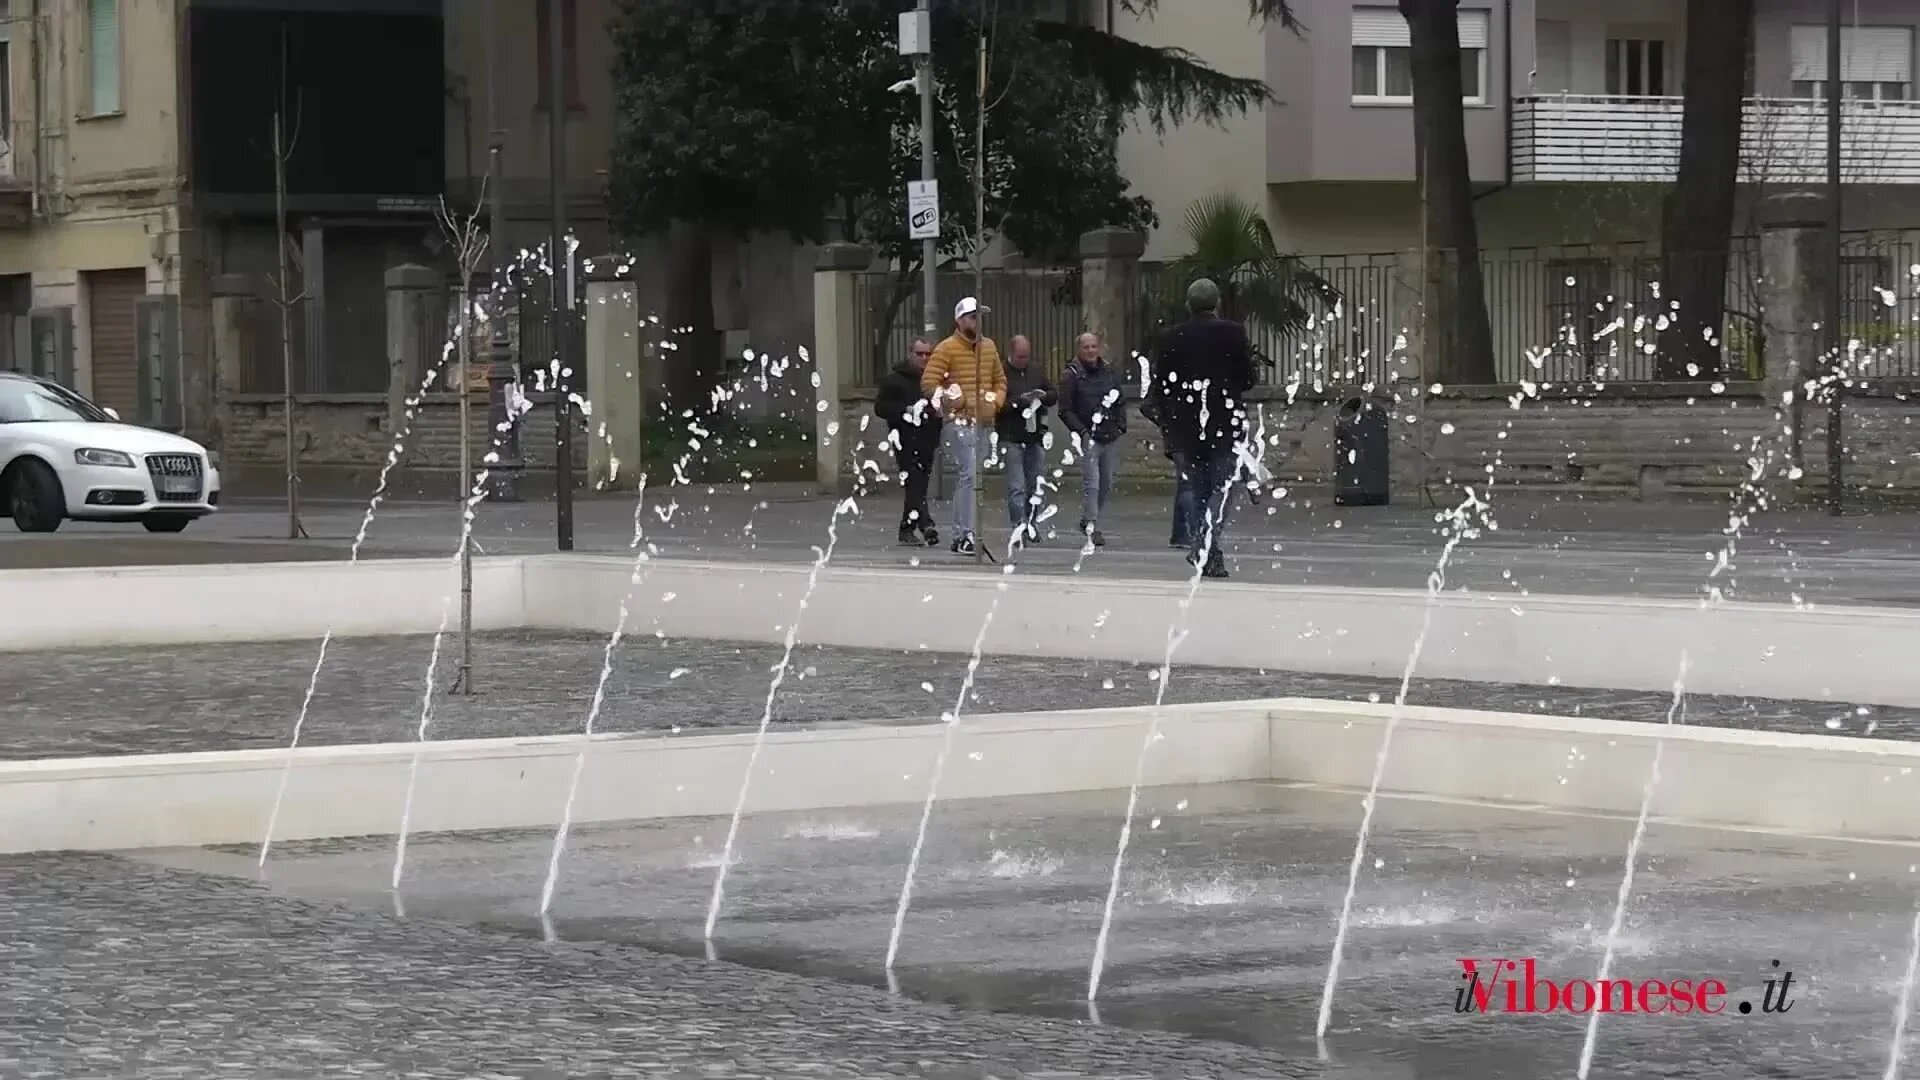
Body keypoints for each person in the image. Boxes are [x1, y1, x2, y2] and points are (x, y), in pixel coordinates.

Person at [1145, 278, 1255, 579]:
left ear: (1188, 304)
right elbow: (1247, 378)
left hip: (1187, 429)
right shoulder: (1233, 333)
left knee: (1198, 490)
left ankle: (1206, 550)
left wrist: (1171, 427)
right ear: (1216, 303)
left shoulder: (1170, 337)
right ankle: (1203, 545)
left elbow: (1163, 386)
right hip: (1224, 424)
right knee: (1225, 487)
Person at [921, 296, 1006, 556]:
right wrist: (951, 399)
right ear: (959, 320)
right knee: (969, 474)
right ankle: (967, 533)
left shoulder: (989, 346)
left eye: (979, 316)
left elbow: (999, 380)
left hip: (983, 422)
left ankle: (960, 535)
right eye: (971, 316)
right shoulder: (946, 348)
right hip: (957, 422)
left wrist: (995, 403)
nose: (976, 321)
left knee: (970, 477)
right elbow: (928, 384)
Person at [1057, 331, 1127, 547]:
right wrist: (1081, 432)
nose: (1090, 351)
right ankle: (1092, 525)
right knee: (1093, 483)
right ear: (1079, 350)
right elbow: (1065, 409)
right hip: (1088, 436)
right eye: (1086, 347)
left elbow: (1119, 399)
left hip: (1109, 434)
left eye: (1093, 347)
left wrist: (1121, 424)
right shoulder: (1071, 375)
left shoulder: (1108, 371)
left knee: (1106, 482)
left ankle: (1087, 518)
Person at [874, 337, 941, 546]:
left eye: (927, 354)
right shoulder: (895, 380)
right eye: (919, 354)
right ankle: (926, 524)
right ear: (909, 354)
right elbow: (881, 408)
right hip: (904, 438)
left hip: (928, 438)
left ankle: (907, 527)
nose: (924, 358)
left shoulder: (933, 380)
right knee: (914, 481)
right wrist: (905, 410)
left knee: (919, 484)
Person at [995, 334, 1056, 545]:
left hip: (1034, 434)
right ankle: (1018, 525)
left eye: (1027, 356)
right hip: (1011, 435)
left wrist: (1044, 396)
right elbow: (997, 404)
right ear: (1011, 354)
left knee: (1034, 484)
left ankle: (1031, 524)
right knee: (1017, 486)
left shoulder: (1036, 371)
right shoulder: (1001, 372)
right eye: (1020, 356)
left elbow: (1053, 394)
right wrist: (1018, 402)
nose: (1024, 361)